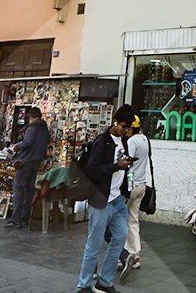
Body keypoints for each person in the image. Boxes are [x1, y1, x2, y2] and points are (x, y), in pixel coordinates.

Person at [74, 105, 136, 293]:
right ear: (115, 122)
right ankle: (84, 285)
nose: (126, 130)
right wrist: (116, 166)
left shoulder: (124, 141)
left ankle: (105, 281)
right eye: (123, 126)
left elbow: (123, 169)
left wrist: (125, 190)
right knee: (94, 243)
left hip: (117, 199)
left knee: (121, 236)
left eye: (129, 127)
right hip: (101, 198)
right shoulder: (102, 142)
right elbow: (92, 170)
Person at [118, 115, 151, 279]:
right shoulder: (145, 139)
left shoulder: (132, 141)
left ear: (132, 127)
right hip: (142, 184)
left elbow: (128, 164)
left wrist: (127, 188)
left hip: (132, 185)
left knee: (120, 220)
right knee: (133, 220)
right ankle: (135, 254)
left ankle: (124, 254)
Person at [5, 106, 49, 228]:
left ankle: (16, 219)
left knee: (19, 190)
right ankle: (25, 217)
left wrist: (16, 147)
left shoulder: (32, 127)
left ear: (30, 117)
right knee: (29, 190)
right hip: (36, 161)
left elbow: (27, 142)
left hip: (25, 161)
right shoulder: (44, 128)